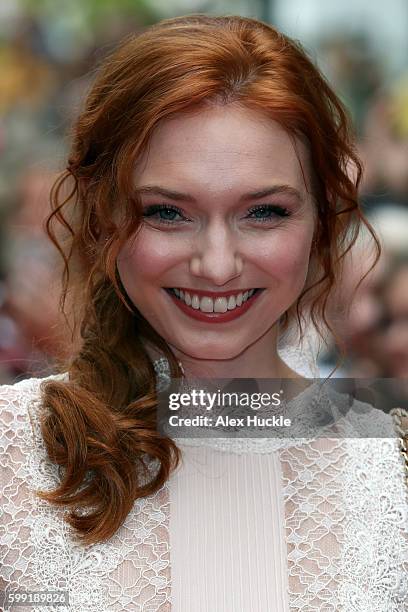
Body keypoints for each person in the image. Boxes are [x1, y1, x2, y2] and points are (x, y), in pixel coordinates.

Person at [1, 15, 407, 612]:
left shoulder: (391, 469)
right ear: (103, 216)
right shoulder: (11, 452)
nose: (217, 266)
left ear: (323, 220)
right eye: (168, 213)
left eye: (263, 212)